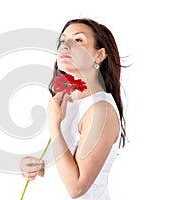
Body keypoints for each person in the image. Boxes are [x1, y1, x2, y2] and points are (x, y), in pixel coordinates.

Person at [20, 18, 127, 199]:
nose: (65, 46)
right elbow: (68, 166)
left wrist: (54, 128)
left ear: (99, 55)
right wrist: (40, 167)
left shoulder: (102, 110)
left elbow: (77, 188)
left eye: (78, 40)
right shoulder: (69, 103)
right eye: (63, 41)